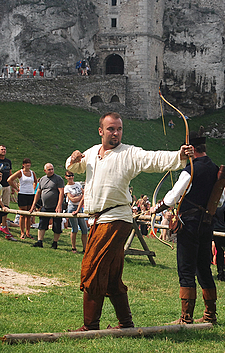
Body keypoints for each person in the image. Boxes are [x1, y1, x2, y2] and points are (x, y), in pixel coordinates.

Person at [66, 112, 191, 331]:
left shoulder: (129, 153)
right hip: (99, 219)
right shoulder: (93, 152)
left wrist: (178, 155)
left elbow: (153, 158)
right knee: (112, 276)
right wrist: (74, 158)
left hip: (116, 219)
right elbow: (74, 167)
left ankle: (90, 326)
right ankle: (126, 323)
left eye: (119, 129)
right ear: (101, 131)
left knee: (93, 268)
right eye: (111, 129)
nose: (116, 133)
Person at [150, 129, 218, 324]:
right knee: (203, 268)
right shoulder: (214, 169)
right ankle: (209, 314)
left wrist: (156, 208)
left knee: (186, 269)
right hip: (206, 224)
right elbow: (219, 199)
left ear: (191, 149)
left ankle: (186, 317)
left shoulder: (192, 169)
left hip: (189, 224)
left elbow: (173, 197)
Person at [29, 163, 64, 249]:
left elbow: (61, 192)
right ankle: (40, 241)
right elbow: (38, 193)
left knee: (57, 225)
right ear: (45, 171)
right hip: (45, 207)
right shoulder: (42, 179)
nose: (51, 171)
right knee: (42, 224)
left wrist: (59, 205)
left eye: (52, 169)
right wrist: (33, 205)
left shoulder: (58, 179)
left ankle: (55, 243)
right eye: (49, 169)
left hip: (55, 207)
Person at [7, 158, 38, 239]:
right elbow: (10, 180)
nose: (28, 165)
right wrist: (16, 188)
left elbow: (35, 182)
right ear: (23, 164)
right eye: (26, 163)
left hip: (30, 194)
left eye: (29, 163)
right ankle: (22, 232)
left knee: (29, 214)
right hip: (22, 194)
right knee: (22, 214)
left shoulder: (32, 173)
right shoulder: (20, 172)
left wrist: (33, 189)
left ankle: (28, 232)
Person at [64, 171, 88, 253]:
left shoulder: (77, 184)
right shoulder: (66, 188)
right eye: (68, 176)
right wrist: (81, 196)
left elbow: (85, 194)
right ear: (66, 177)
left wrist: (79, 197)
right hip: (72, 208)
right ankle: (74, 248)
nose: (71, 177)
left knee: (84, 229)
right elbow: (72, 200)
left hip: (80, 207)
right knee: (74, 229)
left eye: (72, 175)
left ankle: (85, 248)